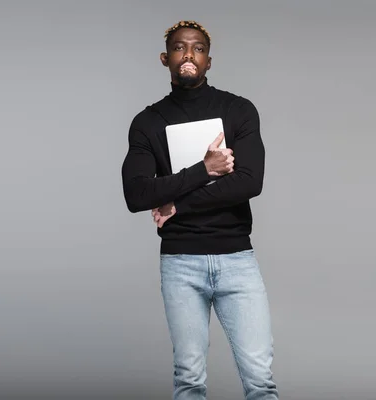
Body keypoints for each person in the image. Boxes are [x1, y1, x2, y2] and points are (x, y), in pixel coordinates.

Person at [121, 20, 279, 400]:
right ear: (165, 59)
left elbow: (248, 182)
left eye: (197, 48)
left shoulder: (238, 110)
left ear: (209, 61)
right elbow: (136, 194)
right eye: (179, 48)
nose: (188, 54)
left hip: (237, 258)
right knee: (189, 379)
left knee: (260, 379)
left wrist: (177, 202)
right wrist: (204, 170)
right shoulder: (148, 123)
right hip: (180, 262)